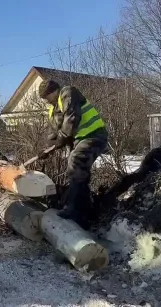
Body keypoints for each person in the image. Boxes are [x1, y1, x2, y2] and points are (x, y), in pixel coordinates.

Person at [38, 79, 108, 223]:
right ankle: (86, 210)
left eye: (47, 97)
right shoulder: (53, 110)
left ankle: (74, 209)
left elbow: (72, 118)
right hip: (79, 141)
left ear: (54, 91)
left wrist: (61, 138)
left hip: (94, 135)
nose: (46, 101)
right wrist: (46, 150)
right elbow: (53, 135)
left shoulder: (68, 93)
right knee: (78, 172)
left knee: (75, 162)